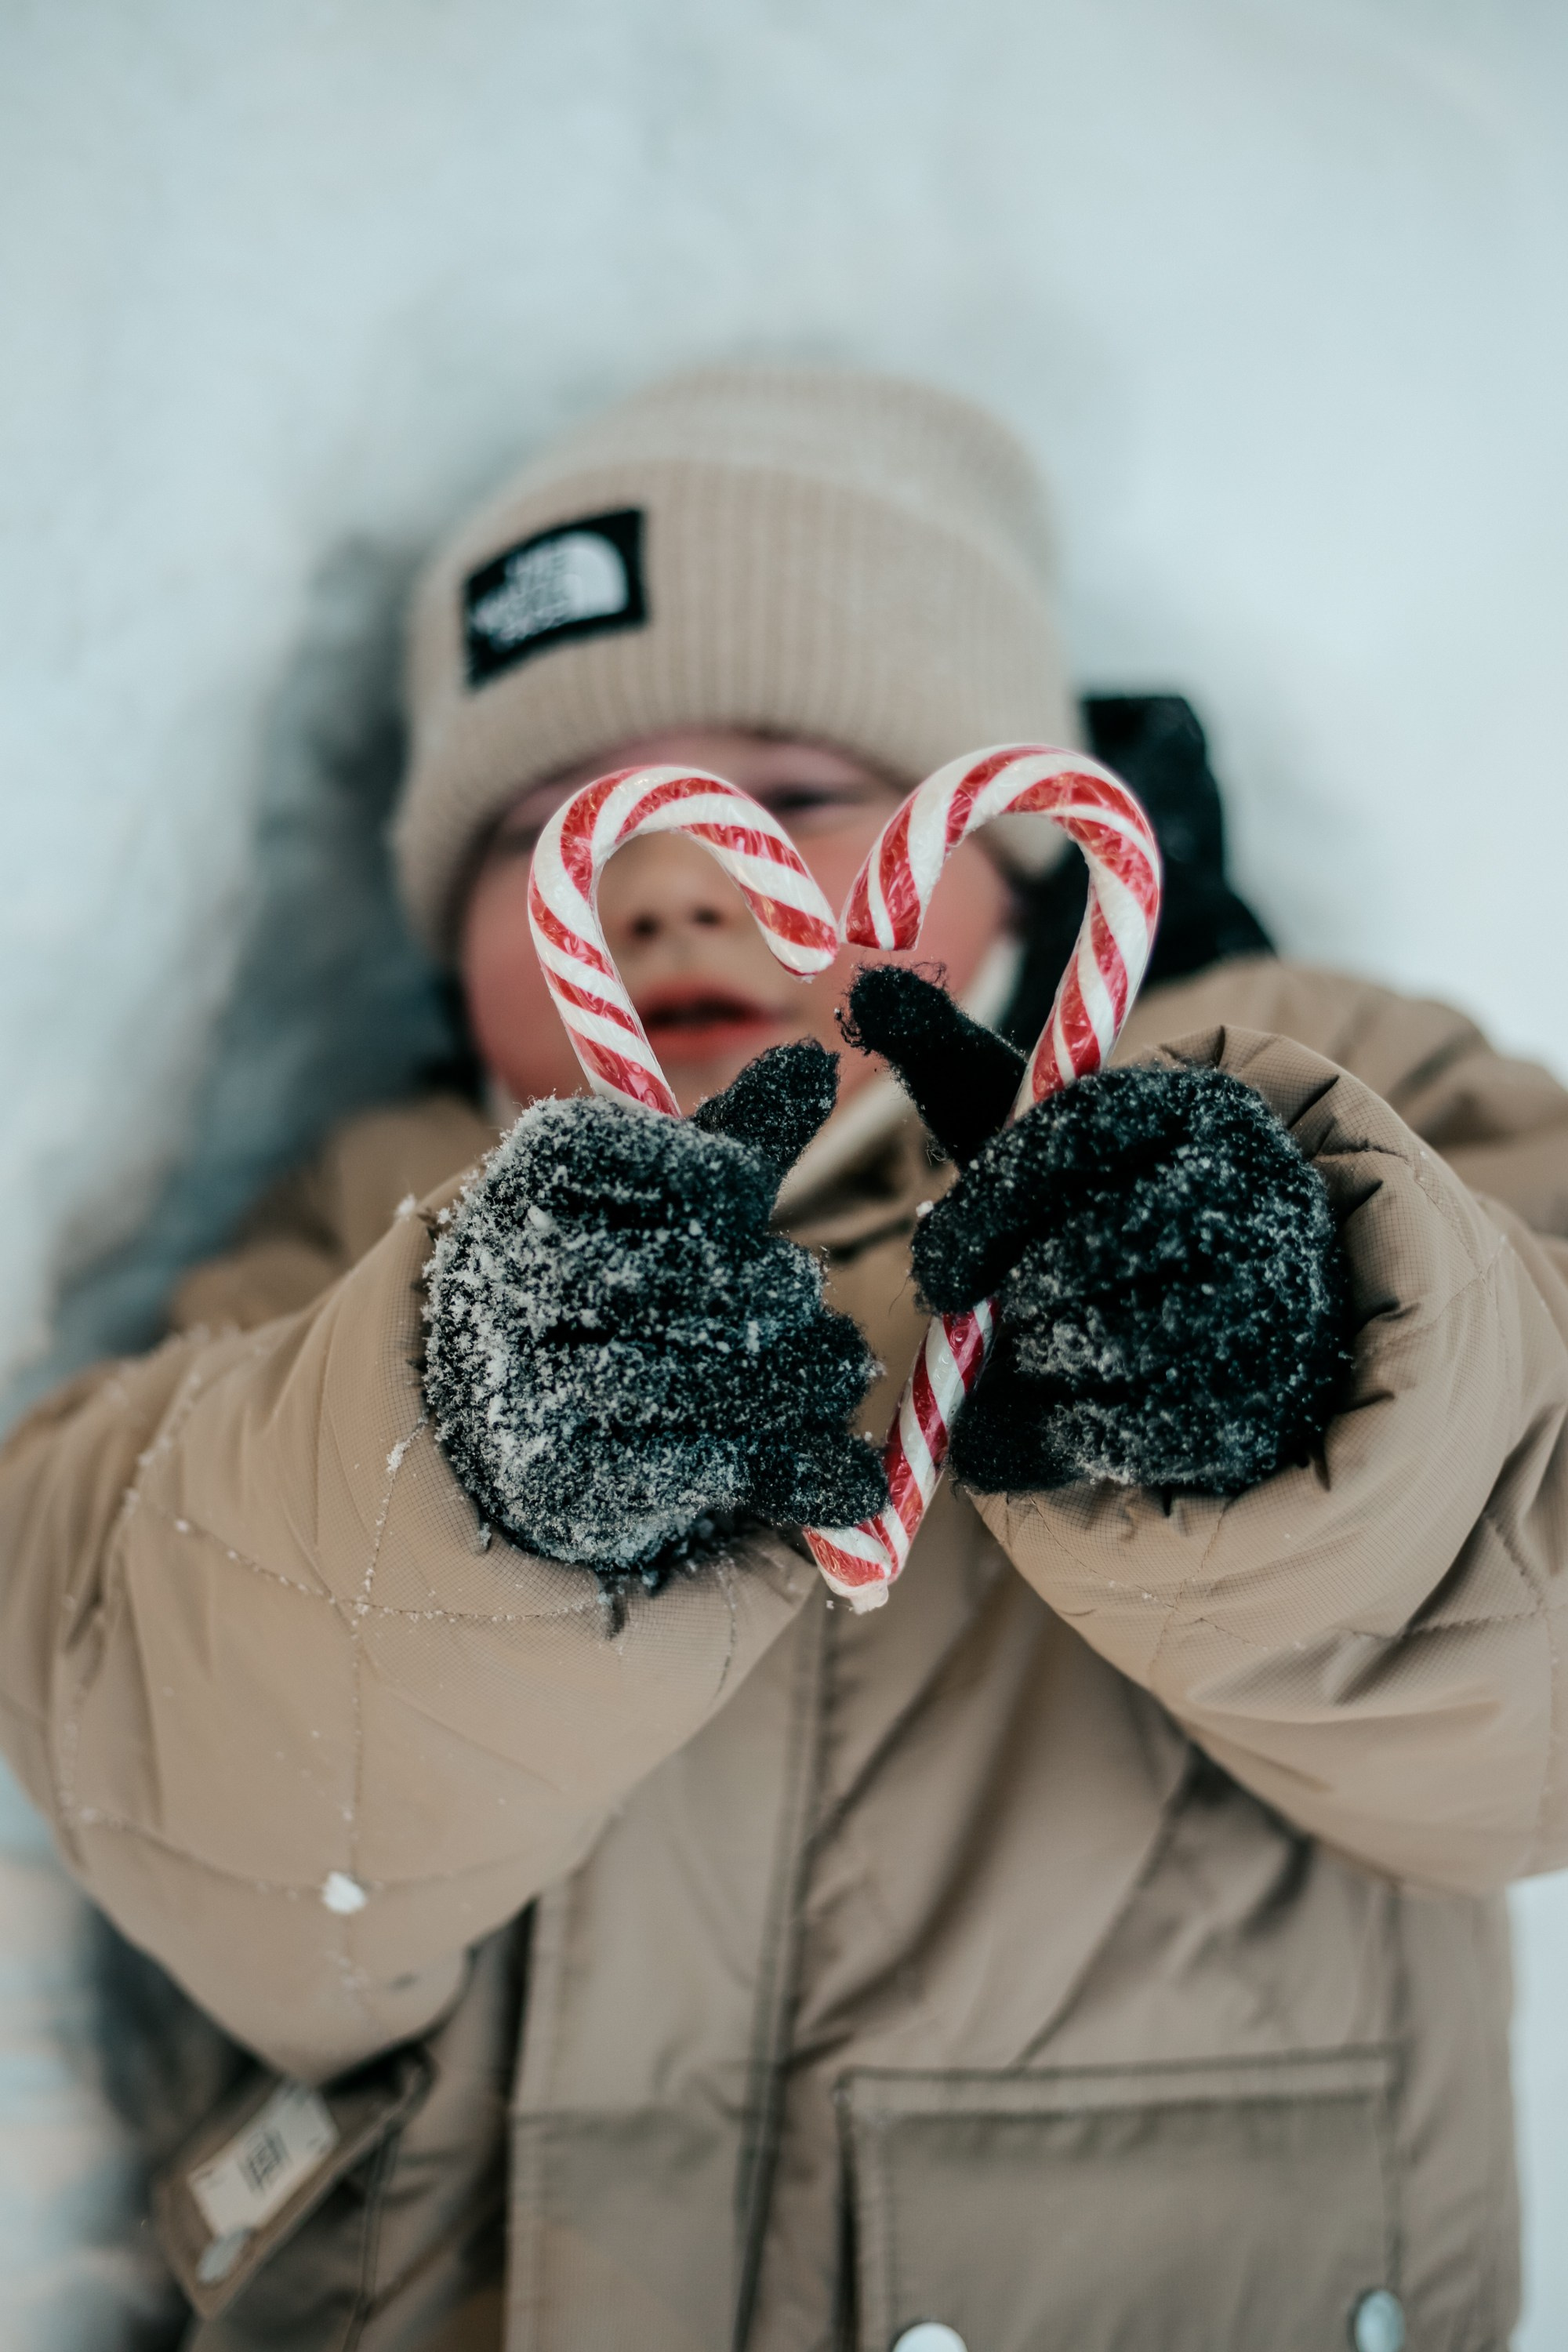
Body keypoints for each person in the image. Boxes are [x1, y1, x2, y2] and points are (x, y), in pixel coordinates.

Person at [2, 365, 1565, 2352]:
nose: (665, 873)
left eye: (802, 794)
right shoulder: (373, 1226)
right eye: (546, 830)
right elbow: (142, 1714)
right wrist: (463, 1454)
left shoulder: (1316, 1099)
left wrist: (1303, 1372)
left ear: (1009, 848)